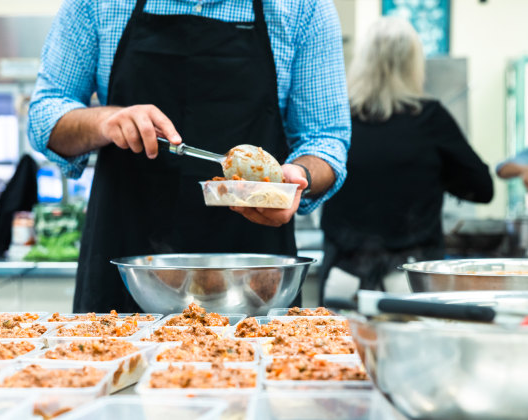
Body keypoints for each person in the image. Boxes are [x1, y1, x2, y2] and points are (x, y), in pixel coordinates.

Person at [28, 0, 351, 312]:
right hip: (129, 265)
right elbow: (44, 116)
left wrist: (299, 177)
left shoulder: (302, 7)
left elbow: (325, 139)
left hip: (252, 276)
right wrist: (103, 120)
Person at [318, 17, 494, 304]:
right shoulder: (430, 118)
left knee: (332, 349)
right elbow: (482, 188)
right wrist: (438, 175)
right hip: (410, 279)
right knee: (417, 348)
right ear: (413, 64)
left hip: (342, 277)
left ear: (361, 62)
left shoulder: (338, 119)